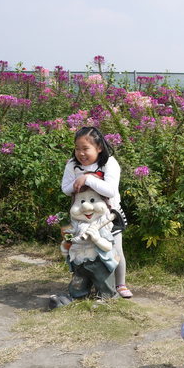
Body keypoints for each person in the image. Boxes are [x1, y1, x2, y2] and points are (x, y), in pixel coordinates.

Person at [61, 126, 132, 298]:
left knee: (116, 250)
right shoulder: (72, 165)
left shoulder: (108, 163)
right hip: (83, 218)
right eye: (77, 149)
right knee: (86, 252)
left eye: (86, 149)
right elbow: (65, 189)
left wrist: (88, 178)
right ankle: (91, 284)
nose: (81, 153)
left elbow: (110, 191)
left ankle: (120, 284)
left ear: (99, 147)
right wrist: (79, 179)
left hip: (109, 216)